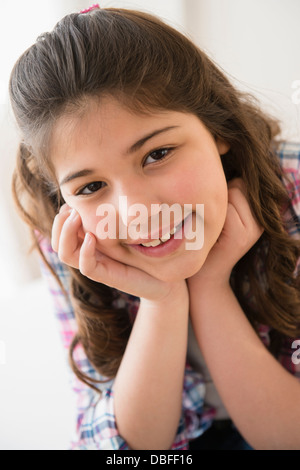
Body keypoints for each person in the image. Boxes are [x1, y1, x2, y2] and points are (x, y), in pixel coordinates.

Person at [9, 5, 300, 450]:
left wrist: (209, 286)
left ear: (217, 127)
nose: (136, 211)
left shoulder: (293, 191)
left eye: (157, 154)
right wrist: (160, 298)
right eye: (90, 186)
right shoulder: (69, 237)